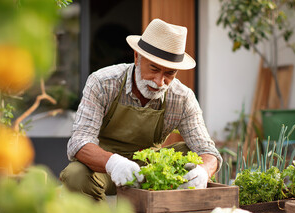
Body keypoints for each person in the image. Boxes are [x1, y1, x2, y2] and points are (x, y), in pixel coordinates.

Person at [60, 18, 222, 201]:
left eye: (170, 73)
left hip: (150, 170)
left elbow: (208, 151)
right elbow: (79, 142)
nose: (159, 82)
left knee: (191, 155)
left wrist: (203, 171)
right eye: (154, 69)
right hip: (104, 168)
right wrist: (114, 163)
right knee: (75, 175)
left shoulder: (182, 97)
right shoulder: (103, 83)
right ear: (137, 57)